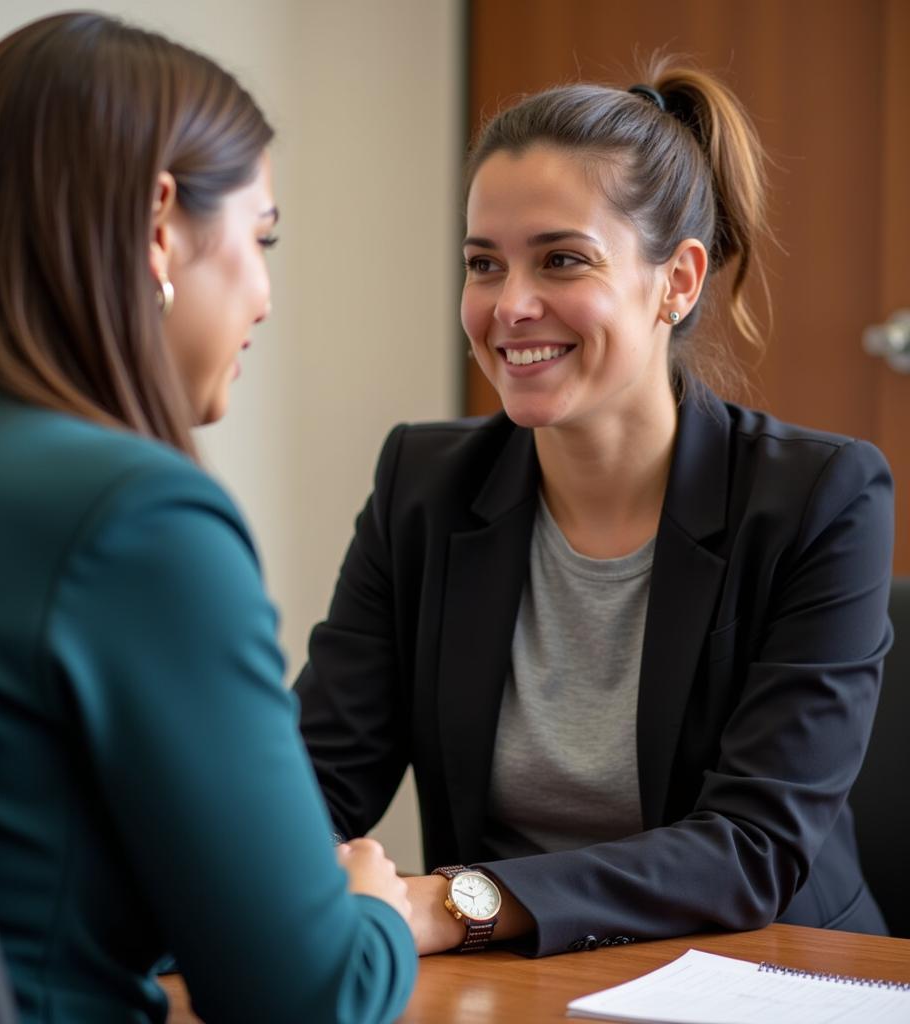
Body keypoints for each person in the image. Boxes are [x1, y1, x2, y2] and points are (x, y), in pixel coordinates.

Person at [295, 58, 895, 958]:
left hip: (765, 971)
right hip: (510, 984)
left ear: (678, 282)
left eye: (562, 259)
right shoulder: (422, 485)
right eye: (483, 264)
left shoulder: (820, 499)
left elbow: (751, 848)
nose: (510, 306)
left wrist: (449, 903)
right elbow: (317, 780)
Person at [0, 13, 415, 1023]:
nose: (262, 296)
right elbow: (308, 998)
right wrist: (373, 912)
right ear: (160, 222)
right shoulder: (137, 521)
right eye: (260, 238)